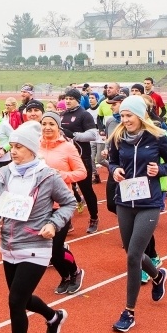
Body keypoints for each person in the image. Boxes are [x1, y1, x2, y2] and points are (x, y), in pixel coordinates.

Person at [0, 121, 76, 333]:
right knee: (21, 298)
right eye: (12, 146)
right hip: (8, 245)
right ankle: (53, 316)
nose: (13, 151)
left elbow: (69, 203)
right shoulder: (4, 174)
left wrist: (53, 223)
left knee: (15, 301)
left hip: (36, 245)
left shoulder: (48, 176)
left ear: (32, 149)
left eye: (19, 147)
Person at [107, 96, 167, 332]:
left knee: (132, 256)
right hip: (125, 200)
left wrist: (160, 169)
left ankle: (129, 312)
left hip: (149, 202)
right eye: (123, 115)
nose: (125, 119)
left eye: (130, 115)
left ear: (140, 116)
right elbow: (112, 162)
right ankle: (158, 276)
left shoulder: (157, 136)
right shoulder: (118, 138)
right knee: (131, 252)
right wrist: (115, 170)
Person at [38, 111, 87, 294]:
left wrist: (61, 175)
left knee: (55, 248)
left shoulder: (68, 147)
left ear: (58, 126)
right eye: (44, 124)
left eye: (51, 124)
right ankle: (65, 276)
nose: (47, 127)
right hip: (40, 204)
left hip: (61, 205)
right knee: (46, 249)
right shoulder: (35, 146)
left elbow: (82, 173)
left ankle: (75, 272)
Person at [60, 88, 101, 234]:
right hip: (65, 159)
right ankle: (67, 222)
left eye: (71, 98)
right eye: (66, 98)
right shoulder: (62, 115)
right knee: (64, 191)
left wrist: (74, 135)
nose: (68, 100)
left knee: (86, 189)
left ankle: (94, 217)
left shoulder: (84, 115)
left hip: (81, 158)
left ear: (78, 99)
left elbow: (92, 135)